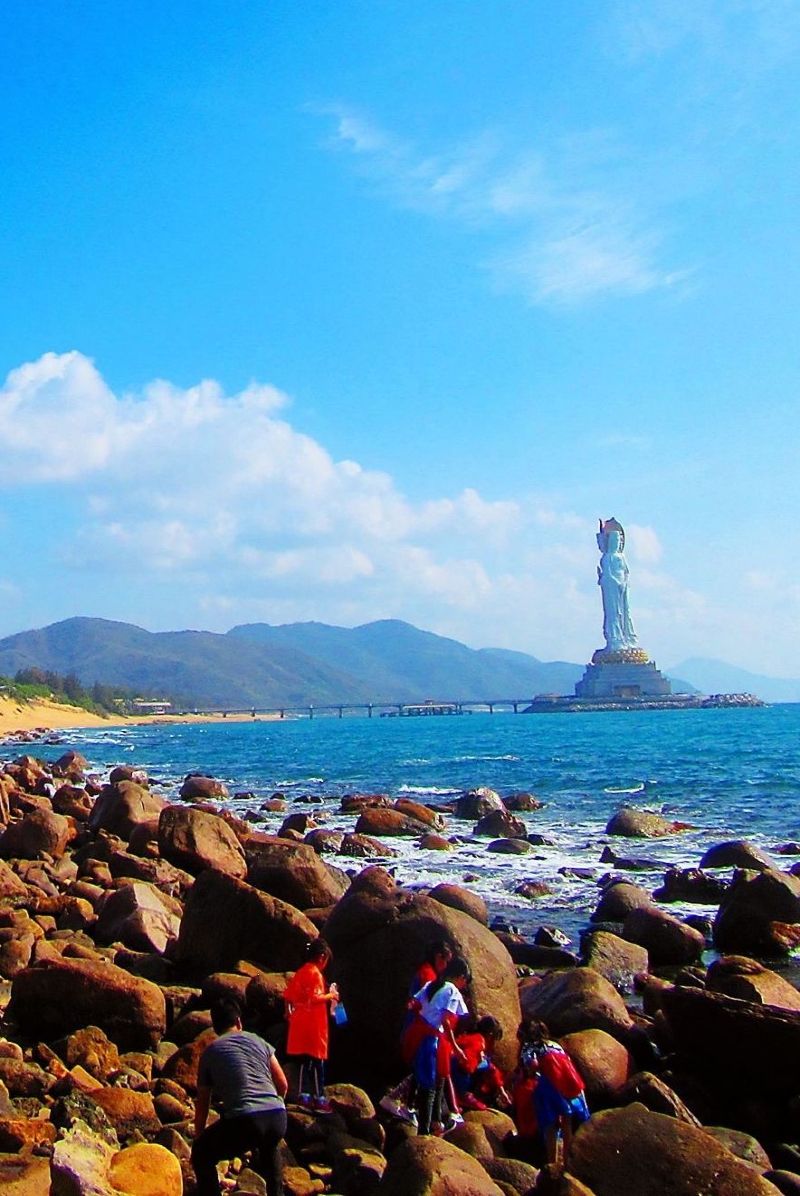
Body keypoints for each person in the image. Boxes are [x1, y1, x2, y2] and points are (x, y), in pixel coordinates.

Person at [192, 996, 288, 1196]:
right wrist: (274, 1106)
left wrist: (199, 1138)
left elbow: (202, 1106)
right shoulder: (260, 1042)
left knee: (202, 1154)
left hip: (245, 1120)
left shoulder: (210, 1053)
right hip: (278, 1116)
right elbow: (283, 1084)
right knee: (269, 1145)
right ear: (238, 1021)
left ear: (215, 1027)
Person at [380, 939, 454, 1125]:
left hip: (416, 1029)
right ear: (439, 957)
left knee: (420, 1071)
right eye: (446, 961)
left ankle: (410, 1106)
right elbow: (425, 1006)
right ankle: (407, 1106)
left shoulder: (423, 971)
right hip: (420, 1031)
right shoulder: (428, 976)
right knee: (425, 1073)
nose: (446, 966)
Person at [411, 955, 472, 1135]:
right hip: (432, 1040)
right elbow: (446, 1022)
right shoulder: (451, 990)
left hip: (419, 1036)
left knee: (424, 1083)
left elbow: (415, 1003)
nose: (464, 984)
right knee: (431, 1086)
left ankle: (428, 1126)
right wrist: (456, 1048)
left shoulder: (431, 985)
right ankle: (425, 1131)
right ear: (460, 977)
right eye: (465, 980)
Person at [522, 1020, 589, 1167]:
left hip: (549, 1086)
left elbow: (531, 1067)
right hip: (566, 1083)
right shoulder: (556, 1045)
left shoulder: (529, 1047)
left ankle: (552, 1163)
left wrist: (530, 1074)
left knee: (550, 1126)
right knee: (567, 1125)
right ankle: (566, 1162)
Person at [283, 939, 339, 1113]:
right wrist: (331, 995)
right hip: (314, 1025)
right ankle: (319, 1097)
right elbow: (315, 998)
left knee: (304, 1061)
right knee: (317, 1062)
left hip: (300, 1023)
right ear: (322, 957)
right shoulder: (315, 974)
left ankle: (304, 1095)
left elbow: (288, 996)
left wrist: (288, 1012)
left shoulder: (301, 972)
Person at [596, 519, 637, 652]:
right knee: (614, 613)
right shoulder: (607, 557)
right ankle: (615, 638)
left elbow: (626, 572)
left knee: (625, 612)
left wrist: (624, 583)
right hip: (611, 585)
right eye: (614, 540)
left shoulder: (621, 557)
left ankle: (628, 637)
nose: (617, 543)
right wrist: (612, 581)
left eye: (618, 541)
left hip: (622, 586)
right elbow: (607, 574)